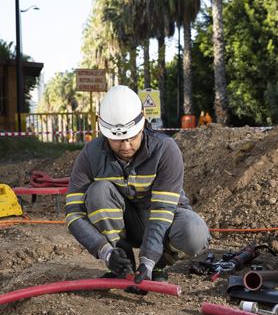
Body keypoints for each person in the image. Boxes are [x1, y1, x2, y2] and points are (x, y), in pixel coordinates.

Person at [65, 85, 210, 284]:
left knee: (195, 232)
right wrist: (106, 252)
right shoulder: (91, 155)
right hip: (126, 223)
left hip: (163, 221)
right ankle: (122, 264)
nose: (125, 146)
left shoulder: (165, 150)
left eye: (132, 137)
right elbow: (73, 214)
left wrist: (149, 261)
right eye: (117, 139)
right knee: (98, 192)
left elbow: (162, 210)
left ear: (142, 121)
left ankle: (159, 264)